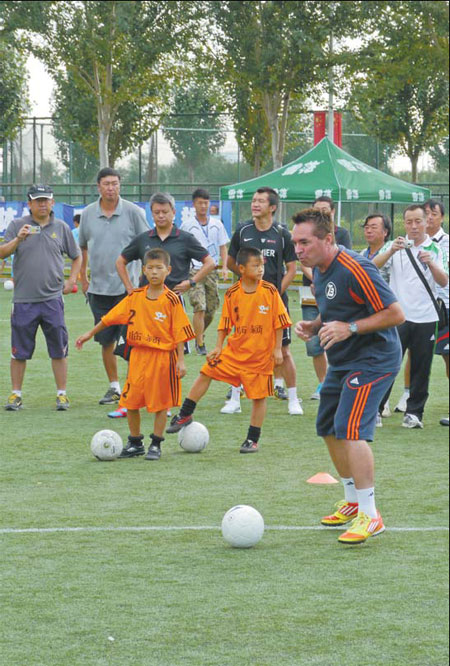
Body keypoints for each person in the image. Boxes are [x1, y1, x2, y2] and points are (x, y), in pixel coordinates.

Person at [292, 208, 404, 545]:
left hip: (374, 358)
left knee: (351, 428)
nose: (298, 249)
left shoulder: (357, 268)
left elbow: (396, 314)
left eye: (305, 242)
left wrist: (350, 328)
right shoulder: (319, 268)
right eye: (295, 242)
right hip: (344, 358)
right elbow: (335, 309)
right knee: (327, 425)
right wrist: (315, 325)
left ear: (328, 240)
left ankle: (371, 515)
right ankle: (353, 500)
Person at [166, 247, 291, 453]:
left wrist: (277, 349)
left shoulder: (269, 291)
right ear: (241, 268)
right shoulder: (233, 293)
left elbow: (280, 322)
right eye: (255, 265)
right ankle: (185, 413)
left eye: (262, 265)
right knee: (206, 371)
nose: (260, 269)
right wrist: (217, 347)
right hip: (235, 353)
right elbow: (225, 324)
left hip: (260, 358)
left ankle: (252, 439)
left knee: (259, 398)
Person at [76, 249, 195, 460]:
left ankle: (156, 444)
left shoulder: (172, 300)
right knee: (129, 401)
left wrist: (181, 361)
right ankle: (135, 442)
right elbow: (110, 318)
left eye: (159, 268)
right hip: (138, 357)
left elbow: (179, 333)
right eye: (150, 268)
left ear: (168, 270)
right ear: (143, 271)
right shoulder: (136, 297)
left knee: (160, 403)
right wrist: (89, 333)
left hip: (163, 359)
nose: (154, 272)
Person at [1, 184, 81, 411]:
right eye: (38, 200)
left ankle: (62, 394)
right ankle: (16, 394)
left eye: (46, 200)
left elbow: (76, 257)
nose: (43, 204)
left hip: (52, 299)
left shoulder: (62, 227)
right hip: (24, 300)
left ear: (52, 202)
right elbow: (2, 252)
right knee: (19, 351)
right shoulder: (18, 225)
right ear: (29, 204)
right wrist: (18, 239)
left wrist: (72, 280)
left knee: (59, 349)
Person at [225, 187, 302, 416]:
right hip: (246, 304)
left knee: (284, 351)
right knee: (240, 348)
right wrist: (246, 283)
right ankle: (234, 399)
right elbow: (230, 262)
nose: (255, 204)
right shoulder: (243, 231)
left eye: (260, 201)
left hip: (275, 302)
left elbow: (291, 268)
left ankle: (294, 399)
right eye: (253, 200)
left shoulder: (282, 233)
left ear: (272, 207)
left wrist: (275, 292)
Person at [78, 167, 149, 406]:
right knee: (106, 341)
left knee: (132, 341)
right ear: (98, 186)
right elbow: (83, 247)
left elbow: (146, 245)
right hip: (98, 289)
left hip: (128, 290)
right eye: (107, 184)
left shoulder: (133, 212)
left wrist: (142, 280)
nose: (111, 188)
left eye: (115, 183)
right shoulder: (87, 214)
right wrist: (83, 277)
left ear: (120, 185)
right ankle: (115, 387)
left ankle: (137, 387)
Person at [374, 205, 448, 429]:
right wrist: (390, 251)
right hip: (398, 317)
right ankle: (376, 410)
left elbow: (443, 281)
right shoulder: (394, 245)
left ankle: (414, 413)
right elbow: (371, 266)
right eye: (409, 222)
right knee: (388, 364)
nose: (413, 226)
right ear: (404, 223)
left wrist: (431, 263)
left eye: (418, 221)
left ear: (427, 222)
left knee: (421, 367)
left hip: (426, 317)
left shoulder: (435, 249)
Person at [299, 196, 353, 401]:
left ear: (332, 212)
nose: (321, 214)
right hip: (311, 292)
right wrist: (316, 279)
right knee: (314, 344)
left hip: (335, 293)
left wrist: (324, 281)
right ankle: (324, 384)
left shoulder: (342, 234)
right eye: (317, 210)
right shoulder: (305, 234)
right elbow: (301, 261)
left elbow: (344, 259)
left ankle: (338, 383)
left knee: (335, 339)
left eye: (325, 210)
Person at [116, 192, 215, 296]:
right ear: (152, 213)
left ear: (173, 212)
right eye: (157, 212)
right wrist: (129, 288)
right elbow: (120, 262)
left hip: (173, 300)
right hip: (146, 300)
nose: (161, 216)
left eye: (165, 212)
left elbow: (210, 262)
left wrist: (191, 282)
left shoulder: (186, 239)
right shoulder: (143, 239)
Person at [181, 188, 229, 355]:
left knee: (211, 308)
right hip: (194, 270)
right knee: (199, 306)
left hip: (212, 270)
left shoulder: (217, 224)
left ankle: (197, 335)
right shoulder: (187, 226)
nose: (203, 206)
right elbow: (182, 249)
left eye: (206, 203)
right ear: (194, 204)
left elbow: (223, 246)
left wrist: (224, 267)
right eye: (200, 203)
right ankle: (200, 344)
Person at [424, 199, 449, 426]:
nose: (429, 217)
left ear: (442, 217)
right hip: (426, 308)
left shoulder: (447, 243)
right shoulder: (416, 243)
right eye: (426, 214)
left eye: (433, 213)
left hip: (446, 307)